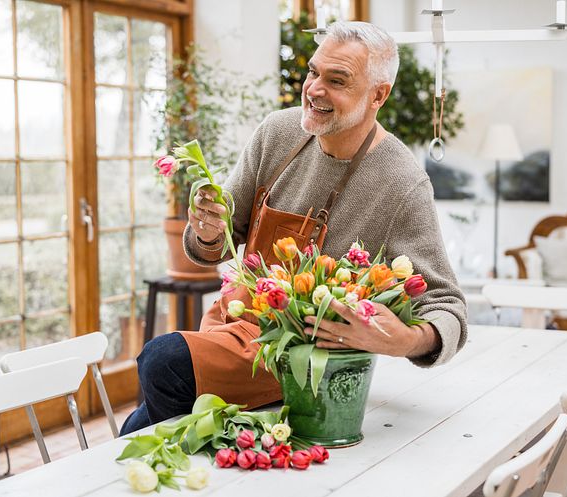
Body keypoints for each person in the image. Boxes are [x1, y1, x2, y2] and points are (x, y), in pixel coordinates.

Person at [120, 21, 467, 435]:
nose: (315, 89)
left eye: (336, 80)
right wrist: (209, 230)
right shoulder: (278, 132)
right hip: (231, 330)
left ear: (379, 95)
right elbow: (217, 239)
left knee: (162, 365)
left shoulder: (400, 184)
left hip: (303, 357)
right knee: (145, 418)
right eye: (313, 72)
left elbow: (447, 305)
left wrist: (405, 341)